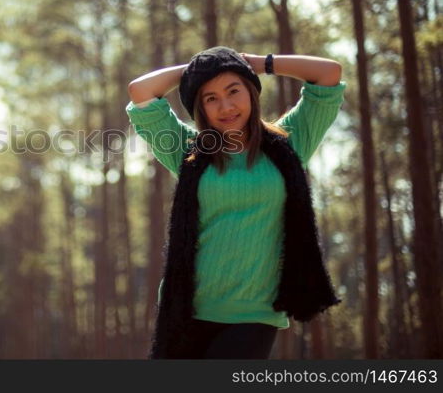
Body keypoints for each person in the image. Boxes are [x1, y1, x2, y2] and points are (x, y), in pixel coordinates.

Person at [125, 46, 346, 359]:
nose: (225, 106)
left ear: (252, 92)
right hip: (187, 311)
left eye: (233, 91)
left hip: (253, 314)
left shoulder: (291, 141)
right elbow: (141, 91)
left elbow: (328, 74)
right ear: (200, 107)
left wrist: (258, 64)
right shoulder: (187, 151)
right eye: (210, 98)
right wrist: (200, 68)